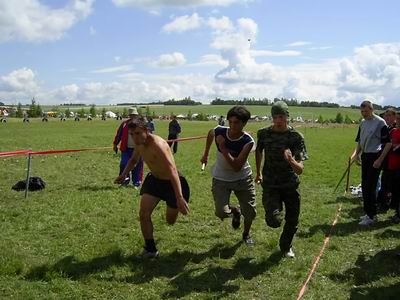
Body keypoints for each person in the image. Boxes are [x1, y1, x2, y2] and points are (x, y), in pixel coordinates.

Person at [114, 118, 190, 258]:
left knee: (170, 221)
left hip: (172, 183)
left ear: (146, 130)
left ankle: (174, 205)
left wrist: (179, 197)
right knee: (143, 214)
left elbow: (172, 170)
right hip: (154, 181)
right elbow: (133, 160)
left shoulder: (158, 145)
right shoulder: (139, 143)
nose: (134, 138)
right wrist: (123, 174)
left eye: (137, 133)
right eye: (131, 134)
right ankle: (151, 249)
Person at [255, 101, 307, 258]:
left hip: (290, 184)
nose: (278, 120)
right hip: (270, 183)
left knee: (293, 219)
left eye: (281, 117)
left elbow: (300, 169)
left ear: (287, 117)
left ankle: (285, 247)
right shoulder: (263, 133)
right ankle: (275, 212)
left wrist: (291, 160)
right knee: (274, 221)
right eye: (275, 117)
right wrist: (258, 172)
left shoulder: (296, 137)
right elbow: (258, 151)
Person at [201, 106, 257, 245]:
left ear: (244, 124)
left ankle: (246, 234)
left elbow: (237, 167)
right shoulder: (219, 131)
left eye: (236, 123)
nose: (232, 126)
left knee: (250, 212)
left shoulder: (248, 141)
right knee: (221, 212)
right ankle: (236, 211)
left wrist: (223, 147)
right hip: (221, 179)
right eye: (230, 122)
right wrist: (206, 154)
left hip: (243, 179)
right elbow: (210, 133)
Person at [351, 100, 392, 225]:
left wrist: (380, 160)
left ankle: (372, 216)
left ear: (371, 110)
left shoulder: (380, 123)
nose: (363, 113)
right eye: (362, 111)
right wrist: (356, 154)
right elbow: (360, 141)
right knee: (364, 185)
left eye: (366, 111)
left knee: (371, 187)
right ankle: (368, 213)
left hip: (376, 156)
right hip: (366, 156)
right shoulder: (363, 123)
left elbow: (388, 143)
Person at [113, 107, 144, 188]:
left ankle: (136, 183)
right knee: (124, 164)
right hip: (126, 149)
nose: (132, 116)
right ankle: (124, 182)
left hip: (138, 150)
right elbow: (119, 134)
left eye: (134, 115)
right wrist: (115, 144)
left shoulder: (141, 124)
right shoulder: (124, 124)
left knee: (137, 165)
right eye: (131, 115)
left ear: (136, 115)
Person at [377, 108, 397, 213]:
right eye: (386, 116)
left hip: (393, 161)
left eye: (389, 115)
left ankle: (385, 205)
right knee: (386, 183)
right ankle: (386, 203)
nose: (387, 117)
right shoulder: (387, 128)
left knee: (388, 184)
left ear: (394, 117)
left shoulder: (395, 129)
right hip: (386, 160)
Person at [387, 112, 400, 223]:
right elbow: (389, 145)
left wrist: (395, 147)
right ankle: (397, 212)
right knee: (394, 189)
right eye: (398, 119)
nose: (398, 121)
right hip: (392, 164)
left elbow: (395, 148)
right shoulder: (394, 131)